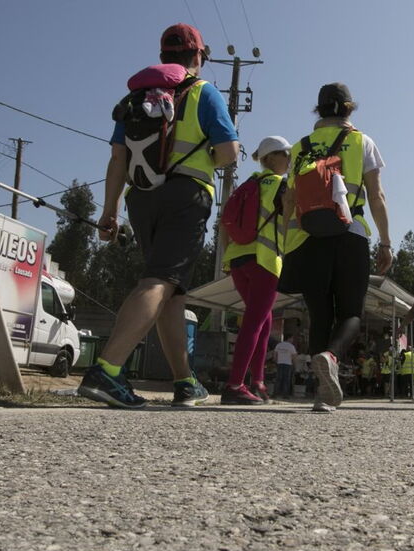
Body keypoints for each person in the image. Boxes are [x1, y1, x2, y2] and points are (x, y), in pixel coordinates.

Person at [79, 23, 239, 409]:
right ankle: (107, 370)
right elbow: (229, 152)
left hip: (141, 197)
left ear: (163, 57)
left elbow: (118, 158)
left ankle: (185, 383)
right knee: (160, 281)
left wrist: (110, 210)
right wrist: (199, 160)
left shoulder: (136, 97)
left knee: (171, 292)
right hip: (186, 195)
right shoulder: (203, 91)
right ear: (198, 56)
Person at [279, 83, 392, 412]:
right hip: (350, 232)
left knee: (319, 314)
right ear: (349, 108)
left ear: (319, 110)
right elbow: (376, 196)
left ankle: (321, 396)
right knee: (351, 313)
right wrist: (385, 242)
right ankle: (331, 356)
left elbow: (289, 199)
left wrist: (286, 243)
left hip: (307, 237)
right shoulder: (361, 141)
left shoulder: (300, 147)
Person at [219, 136, 291, 405]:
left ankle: (258, 382)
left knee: (264, 320)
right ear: (273, 157)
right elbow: (291, 219)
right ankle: (235, 384)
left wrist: (227, 257)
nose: (289, 161)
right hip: (264, 259)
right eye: (286, 155)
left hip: (238, 258)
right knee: (254, 320)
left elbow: (225, 222)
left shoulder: (247, 185)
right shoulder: (280, 185)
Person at [272, 334, 298, 399]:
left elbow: (275, 354)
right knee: (286, 380)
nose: (292, 340)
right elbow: (294, 357)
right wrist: (295, 364)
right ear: (289, 338)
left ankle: (275, 394)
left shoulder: (279, 345)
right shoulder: (291, 346)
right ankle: (285, 395)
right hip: (288, 364)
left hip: (280, 363)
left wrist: (275, 361)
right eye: (292, 338)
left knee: (278, 379)